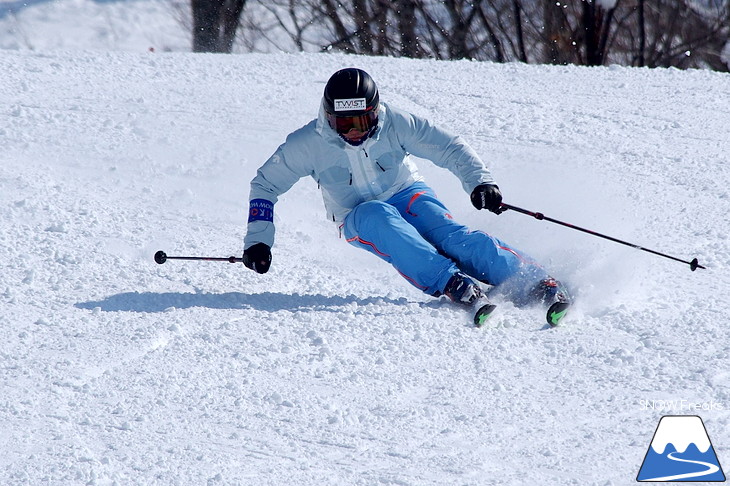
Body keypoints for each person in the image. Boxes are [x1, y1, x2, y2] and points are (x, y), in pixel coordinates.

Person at [242, 68, 571, 325]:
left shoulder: (396, 122)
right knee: (379, 218)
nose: (354, 132)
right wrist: (258, 241)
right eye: (344, 124)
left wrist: (479, 182)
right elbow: (265, 185)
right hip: (357, 215)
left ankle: (535, 282)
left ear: (375, 112)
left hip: (406, 192)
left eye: (362, 121)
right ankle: (453, 284)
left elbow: (447, 147)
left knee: (452, 238)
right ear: (328, 117)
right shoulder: (307, 144)